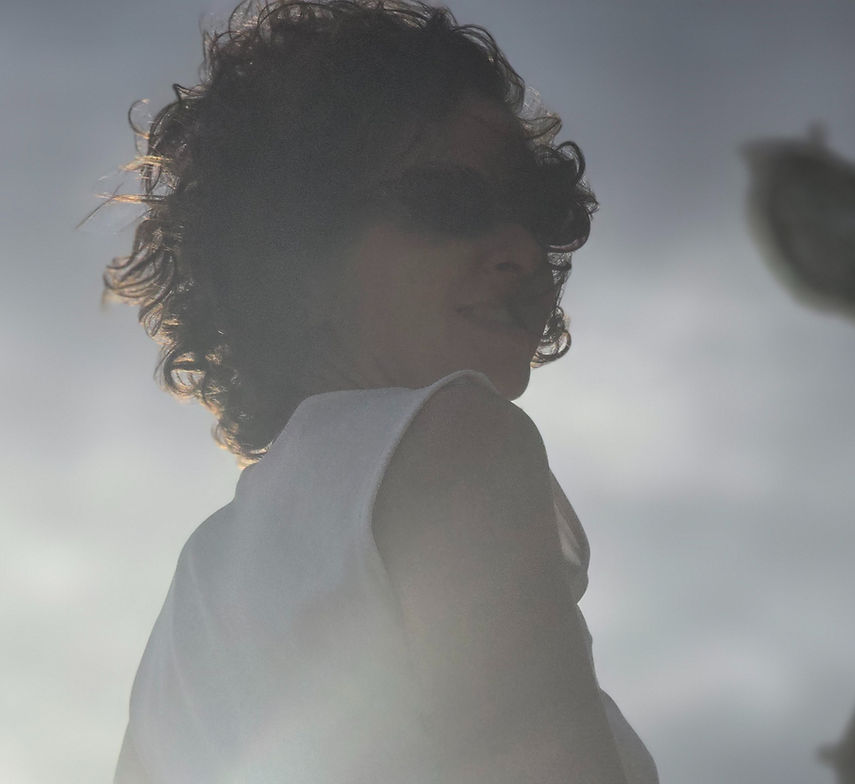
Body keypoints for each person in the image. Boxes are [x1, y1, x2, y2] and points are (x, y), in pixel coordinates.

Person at [106, 1, 659, 782]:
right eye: (448, 203)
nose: (521, 251)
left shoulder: (195, 596)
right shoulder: (455, 440)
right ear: (296, 259)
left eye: (534, 211)